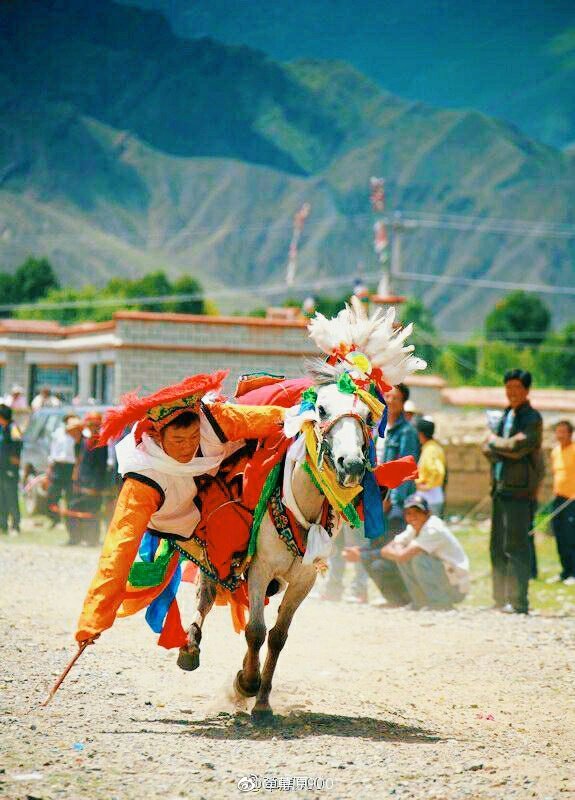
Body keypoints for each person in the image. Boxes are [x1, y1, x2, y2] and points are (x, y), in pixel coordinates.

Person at [73, 371, 289, 667]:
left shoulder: (216, 419)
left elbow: (274, 417)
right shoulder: (142, 481)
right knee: (173, 571)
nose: (188, 446)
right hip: (172, 522)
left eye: (192, 437)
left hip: (216, 494)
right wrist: (92, 620)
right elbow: (117, 550)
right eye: (178, 439)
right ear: (157, 436)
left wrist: (319, 412)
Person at [482, 368, 543, 615]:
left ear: (527, 390)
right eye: (509, 388)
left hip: (519, 492)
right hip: (500, 488)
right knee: (497, 545)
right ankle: (500, 599)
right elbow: (488, 448)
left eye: (517, 388)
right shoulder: (506, 414)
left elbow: (519, 446)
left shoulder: (532, 418)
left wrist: (495, 443)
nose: (512, 393)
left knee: (516, 546)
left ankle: (518, 602)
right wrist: (498, 446)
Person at [344, 494, 469, 610]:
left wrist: (396, 553)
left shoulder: (433, 529)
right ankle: (420, 603)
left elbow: (401, 554)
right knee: (404, 557)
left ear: (428, 513)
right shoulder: (413, 528)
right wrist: (396, 552)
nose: (413, 516)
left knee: (416, 557)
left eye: (418, 512)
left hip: (455, 588)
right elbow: (392, 546)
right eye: (409, 513)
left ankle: (439, 603)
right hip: (445, 579)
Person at [66, 412, 110, 546]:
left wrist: (95, 487)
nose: (92, 427)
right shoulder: (84, 442)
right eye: (90, 424)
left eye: (95, 425)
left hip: (93, 486)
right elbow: (80, 463)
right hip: (81, 483)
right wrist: (76, 480)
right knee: (74, 510)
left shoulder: (102, 443)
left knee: (92, 513)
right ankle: (75, 538)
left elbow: (100, 468)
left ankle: (92, 539)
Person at [548, 420, 575, 585]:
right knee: (559, 535)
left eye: (563, 432)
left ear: (570, 433)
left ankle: (574, 572)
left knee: (571, 536)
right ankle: (565, 571)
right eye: (557, 432)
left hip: (573, 499)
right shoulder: (555, 452)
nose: (560, 435)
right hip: (558, 497)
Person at [46, 415, 84, 526]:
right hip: (58, 466)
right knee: (52, 494)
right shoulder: (58, 433)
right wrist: (50, 466)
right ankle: (55, 519)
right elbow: (53, 450)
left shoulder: (81, 437)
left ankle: (70, 521)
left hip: (71, 467)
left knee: (70, 496)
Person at [415, 417, 447, 517]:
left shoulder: (430, 450)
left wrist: (427, 486)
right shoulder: (433, 447)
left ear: (421, 434)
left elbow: (438, 471)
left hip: (430, 497)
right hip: (431, 496)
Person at [0, 404, 23, 535]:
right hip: (1, 468)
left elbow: (17, 445)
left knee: (11, 497)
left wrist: (13, 465)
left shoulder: (13, 428)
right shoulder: (2, 428)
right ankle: (2, 524)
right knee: (1, 497)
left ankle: (15, 525)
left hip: (9, 469)